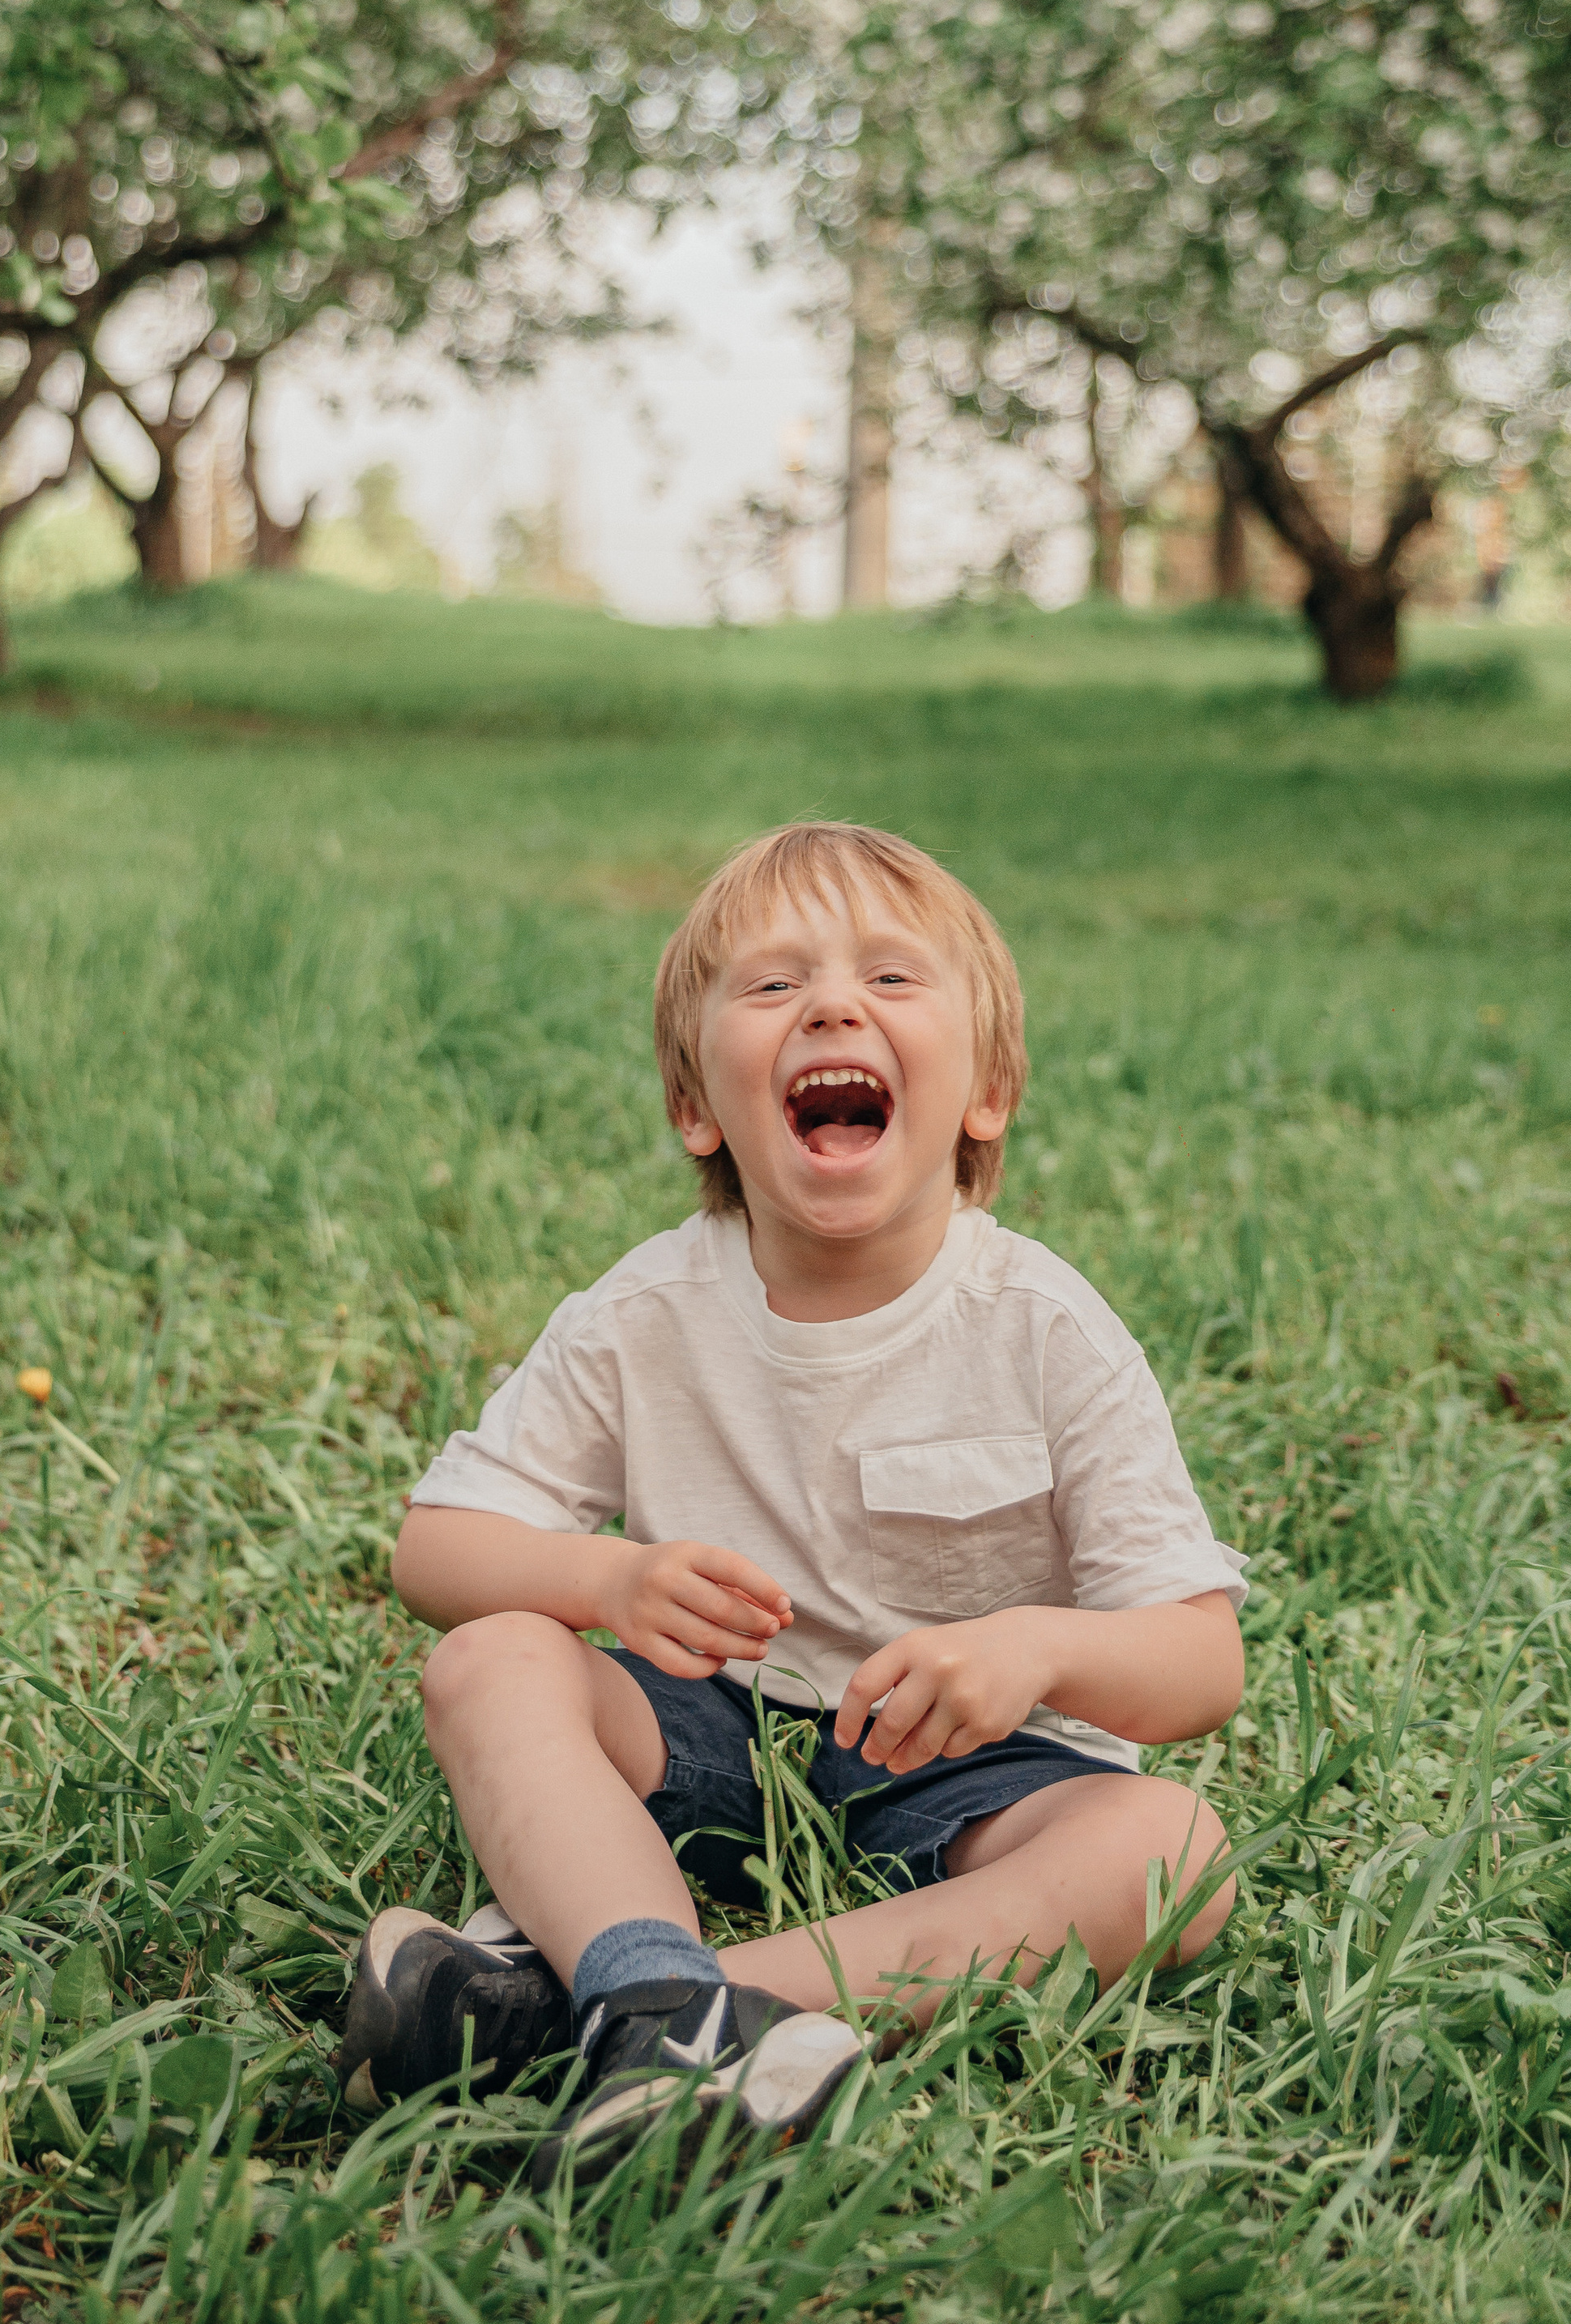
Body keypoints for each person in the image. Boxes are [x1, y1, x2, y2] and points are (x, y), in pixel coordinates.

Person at [338, 821, 1245, 2183]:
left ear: (985, 1089)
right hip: (707, 1723)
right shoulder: (644, 1314)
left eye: (892, 977)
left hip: (975, 1769)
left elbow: (1199, 1658)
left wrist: (1036, 1650)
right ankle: (661, 1998)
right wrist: (606, 1586)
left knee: (1177, 1850)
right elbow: (435, 1547)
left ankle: (642, 2003)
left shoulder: (1046, 1326)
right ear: (699, 1104)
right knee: (492, 1657)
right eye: (771, 987)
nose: (830, 1002)